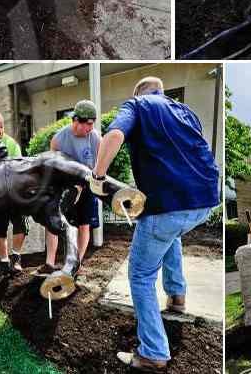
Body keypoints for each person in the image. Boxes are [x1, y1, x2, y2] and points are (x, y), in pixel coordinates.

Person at [91, 76, 219, 371]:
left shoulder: (137, 104)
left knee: (140, 275)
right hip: (205, 202)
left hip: (168, 206)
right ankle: (177, 296)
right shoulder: (185, 111)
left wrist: (97, 177)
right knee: (170, 234)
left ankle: (152, 352)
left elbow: (113, 136)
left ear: (140, 93)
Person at [38, 100, 101, 277]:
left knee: (84, 224)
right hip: (64, 186)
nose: (90, 128)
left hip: (87, 186)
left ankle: (76, 264)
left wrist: (84, 184)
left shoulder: (95, 138)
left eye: (92, 124)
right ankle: (49, 263)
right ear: (76, 120)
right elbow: (54, 167)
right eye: (88, 124)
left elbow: (99, 166)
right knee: (52, 222)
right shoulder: (58, 139)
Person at [0, 110, 27, 275]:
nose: (0, 131)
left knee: (21, 224)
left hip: (13, 193)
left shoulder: (11, 144)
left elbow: (19, 168)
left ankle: (16, 258)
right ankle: (3, 263)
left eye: (1, 127)